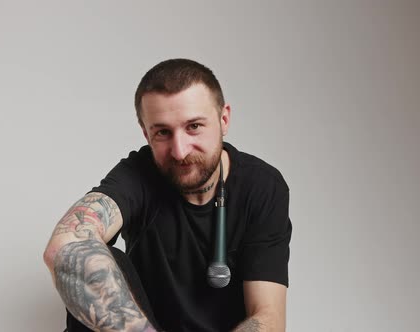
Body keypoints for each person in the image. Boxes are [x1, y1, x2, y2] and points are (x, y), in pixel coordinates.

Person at [44, 58, 292, 331]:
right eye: (163, 132)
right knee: (96, 260)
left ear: (224, 119)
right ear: (146, 134)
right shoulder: (137, 174)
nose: (180, 151)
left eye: (194, 126)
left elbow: (267, 317)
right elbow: (65, 246)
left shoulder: (262, 186)